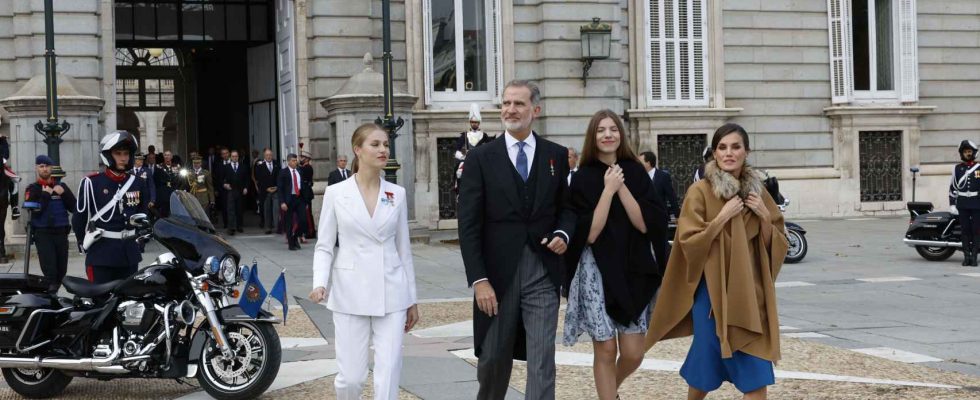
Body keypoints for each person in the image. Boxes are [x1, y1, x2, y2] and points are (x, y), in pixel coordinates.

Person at [645, 123, 789, 400]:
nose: (729, 153)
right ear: (714, 153)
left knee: (757, 379)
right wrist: (721, 218)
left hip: (750, 296)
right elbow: (687, 243)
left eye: (736, 147)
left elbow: (779, 244)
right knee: (703, 374)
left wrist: (765, 218)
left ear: (746, 152)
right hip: (711, 298)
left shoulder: (759, 194)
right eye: (722, 147)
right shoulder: (699, 191)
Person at [457, 80, 576, 400]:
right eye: (506, 103)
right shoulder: (481, 158)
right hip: (496, 277)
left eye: (519, 104)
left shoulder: (556, 155)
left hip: (542, 272)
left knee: (542, 362)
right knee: (493, 358)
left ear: (535, 110)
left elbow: (567, 209)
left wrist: (564, 233)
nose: (510, 109)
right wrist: (479, 279)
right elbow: (468, 224)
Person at [562, 110, 669, 400]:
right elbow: (591, 233)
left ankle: (609, 391)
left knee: (634, 353)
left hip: (632, 267)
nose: (608, 134)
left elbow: (646, 223)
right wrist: (607, 190)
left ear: (620, 135)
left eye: (613, 129)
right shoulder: (583, 178)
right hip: (596, 268)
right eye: (601, 130)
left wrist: (621, 188)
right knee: (606, 348)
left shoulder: (634, 171)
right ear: (592, 137)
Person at [309, 123, 419, 399]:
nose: (383, 149)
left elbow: (403, 249)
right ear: (358, 149)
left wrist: (411, 299)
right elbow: (324, 246)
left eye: (385, 144)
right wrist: (320, 282)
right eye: (375, 144)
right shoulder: (336, 193)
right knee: (351, 379)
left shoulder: (397, 194)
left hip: (391, 290)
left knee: (389, 372)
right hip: (350, 292)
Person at [73, 131, 151, 284]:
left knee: (128, 303)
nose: (123, 158)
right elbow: (79, 218)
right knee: (101, 302)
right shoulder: (91, 183)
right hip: (101, 254)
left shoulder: (138, 183)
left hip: (129, 253)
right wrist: (82, 242)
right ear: (108, 155)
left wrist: (140, 239)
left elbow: (143, 214)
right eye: (118, 153)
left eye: (126, 153)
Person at [24, 155, 75, 293]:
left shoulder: (61, 186)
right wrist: (46, 195)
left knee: (61, 272)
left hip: (61, 233)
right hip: (43, 234)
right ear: (37, 168)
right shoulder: (32, 189)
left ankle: (54, 296)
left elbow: (74, 207)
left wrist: (64, 194)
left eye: (47, 166)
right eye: (41, 166)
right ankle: (51, 299)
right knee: (50, 272)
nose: (44, 169)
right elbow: (35, 212)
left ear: (51, 168)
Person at [950, 140, 980, 266]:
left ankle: (974, 257)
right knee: (965, 231)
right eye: (965, 152)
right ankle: (966, 256)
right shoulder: (957, 168)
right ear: (962, 154)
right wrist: (952, 204)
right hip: (962, 204)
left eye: (969, 151)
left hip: (977, 204)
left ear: (974, 153)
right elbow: (952, 187)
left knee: (976, 230)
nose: (967, 154)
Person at [454, 103, 494, 192]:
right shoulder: (464, 135)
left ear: (479, 123)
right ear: (470, 123)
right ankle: (459, 192)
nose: (474, 124)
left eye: (476, 122)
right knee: (459, 172)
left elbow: (491, 147)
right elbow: (456, 150)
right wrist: (462, 157)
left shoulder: (484, 135)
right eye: (472, 122)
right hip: (468, 159)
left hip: (480, 159)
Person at [278, 154, 307, 250]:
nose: (296, 162)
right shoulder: (283, 172)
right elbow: (280, 188)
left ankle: (295, 237)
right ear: (288, 161)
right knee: (289, 223)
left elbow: (302, 185)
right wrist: (282, 202)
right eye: (294, 160)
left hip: (299, 199)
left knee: (303, 221)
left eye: (296, 160)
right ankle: (291, 244)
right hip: (288, 200)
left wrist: (305, 200)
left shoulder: (299, 171)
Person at [640, 151, 680, 219]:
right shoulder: (639, 177)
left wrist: (678, 215)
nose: (638, 164)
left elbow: (671, 196)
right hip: (644, 217)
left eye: (641, 162)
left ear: (648, 163)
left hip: (660, 216)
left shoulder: (663, 176)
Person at [0, 135, 20, 261]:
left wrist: (3, 141)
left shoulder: (1, 140)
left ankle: (14, 208)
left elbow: (6, 155)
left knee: (14, 181)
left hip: (1, 167)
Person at [222, 150, 248, 235]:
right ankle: (231, 228)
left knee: (239, 209)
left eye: (236, 156)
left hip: (240, 191)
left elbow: (247, 179)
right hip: (230, 190)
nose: (234, 158)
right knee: (231, 209)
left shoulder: (243, 166)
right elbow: (221, 178)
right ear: (230, 157)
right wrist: (224, 185)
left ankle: (239, 226)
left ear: (238, 157)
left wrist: (246, 188)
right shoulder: (226, 167)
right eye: (233, 156)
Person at [255, 149, 280, 234]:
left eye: (270, 155)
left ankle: (277, 227)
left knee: (276, 209)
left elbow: (279, 176)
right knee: (267, 209)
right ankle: (268, 227)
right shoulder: (260, 165)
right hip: (265, 191)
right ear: (264, 156)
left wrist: (277, 187)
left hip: (275, 190)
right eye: (267, 155)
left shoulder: (276, 163)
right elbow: (259, 179)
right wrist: (266, 188)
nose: (269, 156)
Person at [154, 150, 180, 218]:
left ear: (171, 156)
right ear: (163, 156)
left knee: (175, 213)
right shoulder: (158, 166)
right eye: (165, 155)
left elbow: (180, 180)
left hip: (174, 194)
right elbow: (155, 181)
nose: (167, 156)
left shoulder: (177, 166)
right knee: (164, 214)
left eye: (169, 155)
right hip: (163, 195)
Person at [299, 151, 317, 241]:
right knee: (306, 213)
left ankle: (310, 231)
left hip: (306, 194)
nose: (300, 159)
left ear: (306, 159)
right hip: (305, 193)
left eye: (302, 157)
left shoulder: (307, 168)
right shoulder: (304, 167)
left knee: (307, 213)